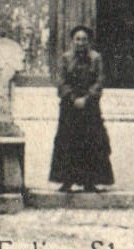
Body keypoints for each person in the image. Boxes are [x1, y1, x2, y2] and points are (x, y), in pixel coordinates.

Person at [48, 25, 114, 192]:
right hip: (69, 107)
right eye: (78, 39)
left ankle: (90, 181)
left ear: (89, 42)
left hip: (89, 107)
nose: (81, 43)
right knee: (67, 141)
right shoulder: (65, 58)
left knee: (91, 142)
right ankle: (67, 180)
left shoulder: (96, 58)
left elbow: (100, 81)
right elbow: (61, 80)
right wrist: (72, 97)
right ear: (73, 41)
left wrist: (87, 98)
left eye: (84, 39)